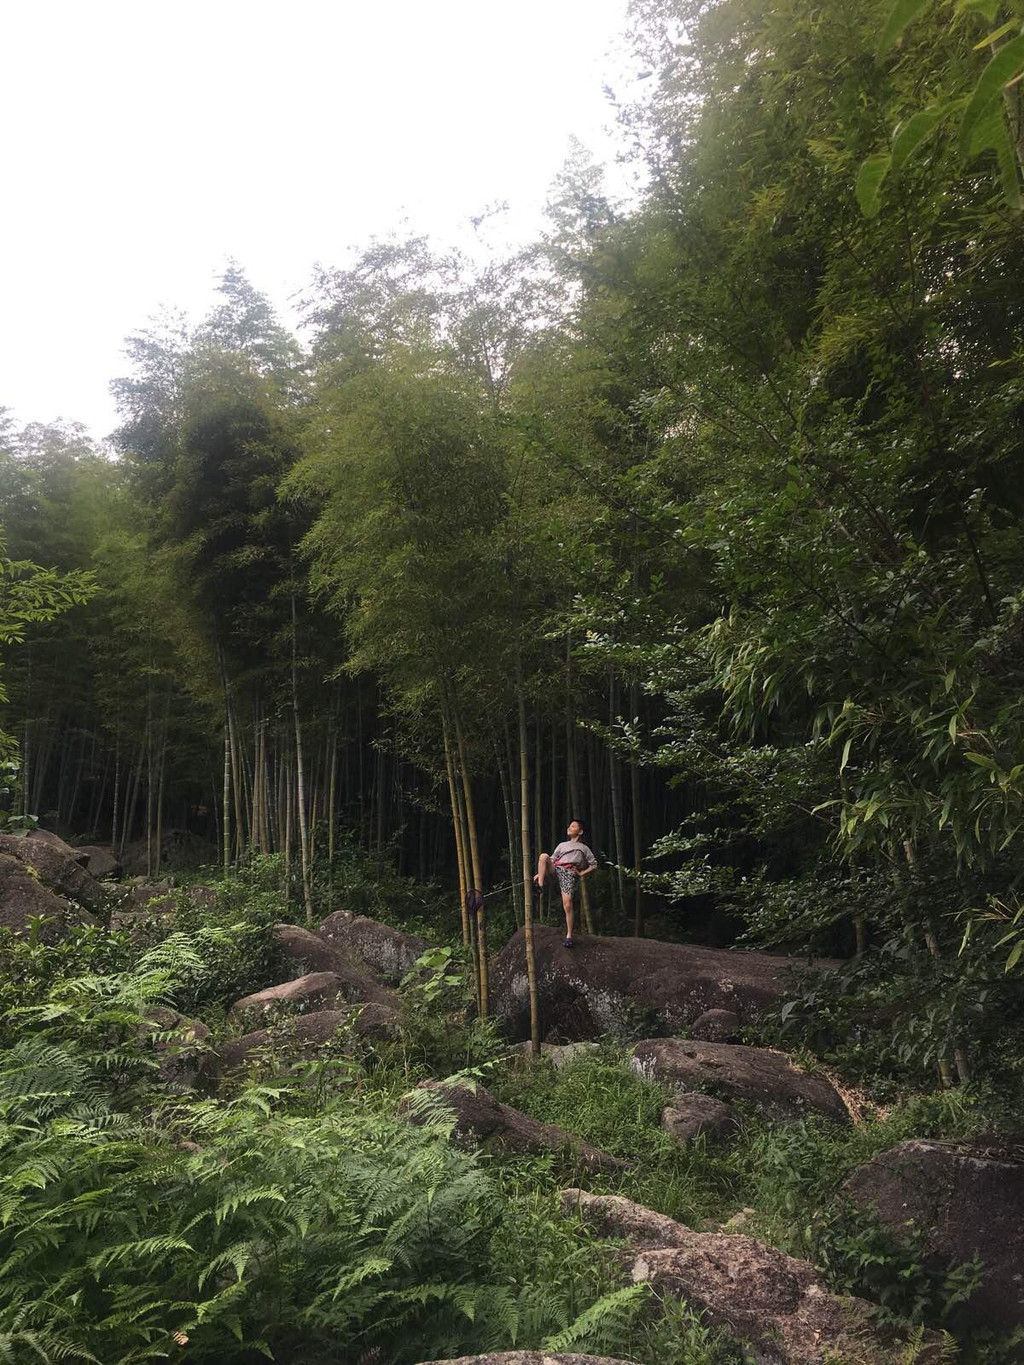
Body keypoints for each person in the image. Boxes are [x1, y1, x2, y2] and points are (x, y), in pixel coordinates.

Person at [534, 819, 597, 948]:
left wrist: (581, 874)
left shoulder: (583, 848)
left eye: (573, 826)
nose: (569, 827)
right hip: (556, 869)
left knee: (568, 905)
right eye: (569, 825)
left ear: (580, 831)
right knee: (543, 856)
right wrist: (540, 874)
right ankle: (540, 885)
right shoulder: (562, 845)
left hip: (568, 873)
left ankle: (569, 936)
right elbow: (551, 859)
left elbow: (594, 865)